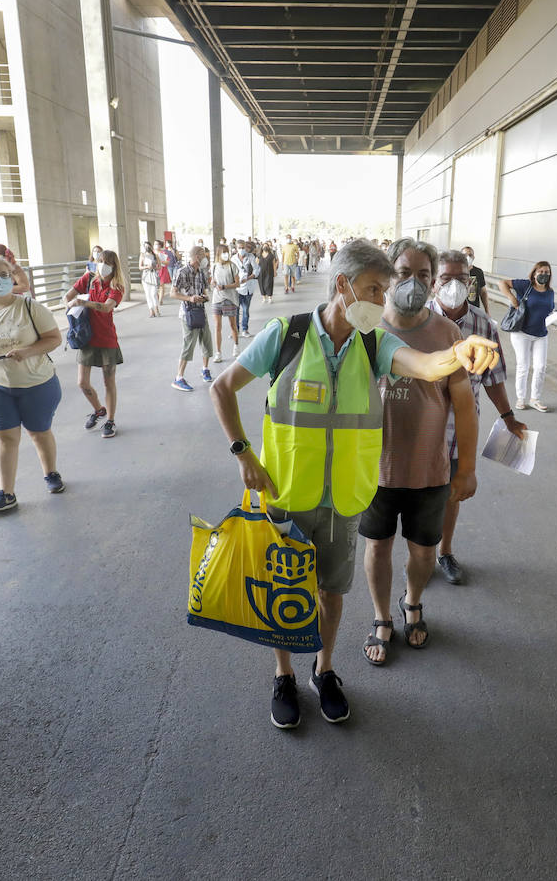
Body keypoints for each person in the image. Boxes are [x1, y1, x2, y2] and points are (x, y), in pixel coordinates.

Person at [208, 238, 500, 728]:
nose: (383, 298)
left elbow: (426, 366)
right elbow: (222, 387)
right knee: (283, 587)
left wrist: (460, 352)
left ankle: (324, 670)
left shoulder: (374, 343)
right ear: (342, 285)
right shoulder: (287, 336)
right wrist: (243, 453)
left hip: (345, 497)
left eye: (383, 288)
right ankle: (283, 676)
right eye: (374, 288)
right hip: (286, 493)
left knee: (330, 592)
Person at [360, 238, 480, 665]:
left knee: (424, 551)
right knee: (377, 547)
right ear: (389, 276)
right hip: (374, 471)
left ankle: (411, 603)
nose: (414, 282)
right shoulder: (366, 329)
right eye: (405, 273)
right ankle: (380, 615)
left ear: (434, 282)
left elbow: (464, 407)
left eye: (424, 275)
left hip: (429, 471)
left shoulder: (448, 333)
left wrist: (465, 469)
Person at [429, 250, 524, 586]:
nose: (453, 284)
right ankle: (421, 556)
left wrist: (509, 417)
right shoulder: (418, 319)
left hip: (459, 431)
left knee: (453, 493)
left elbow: (494, 378)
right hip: (419, 431)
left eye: (460, 278)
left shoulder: (483, 324)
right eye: (445, 278)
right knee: (421, 497)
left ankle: (445, 551)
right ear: (433, 282)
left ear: (470, 281)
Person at [0, 256, 64, 512]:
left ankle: (50, 473)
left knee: (38, 433)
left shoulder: (30, 308)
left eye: (5, 275)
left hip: (36, 382)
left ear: (13, 277)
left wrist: (27, 351)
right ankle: (6, 493)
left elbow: (54, 339)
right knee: (5, 437)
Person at [64, 249, 124, 438]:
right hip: (86, 337)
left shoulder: (117, 287)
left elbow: (106, 307)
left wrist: (83, 303)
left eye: (107, 263)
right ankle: (99, 410)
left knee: (109, 382)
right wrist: (72, 310)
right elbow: (68, 296)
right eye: (100, 261)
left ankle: (111, 420)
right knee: (82, 382)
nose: (103, 265)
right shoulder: (89, 279)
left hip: (106, 339)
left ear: (114, 267)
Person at [499, 261, 557, 412]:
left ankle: (535, 399)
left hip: (541, 334)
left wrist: (554, 315)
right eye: (541, 271)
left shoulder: (550, 292)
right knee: (523, 366)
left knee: (540, 367)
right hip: (522, 333)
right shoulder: (525, 286)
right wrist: (512, 299)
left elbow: (548, 310)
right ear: (534, 273)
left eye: (547, 272)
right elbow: (502, 283)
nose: (544, 274)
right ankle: (520, 398)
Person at [172, 245, 214, 392]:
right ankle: (178, 378)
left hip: (201, 311)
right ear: (197, 256)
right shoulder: (182, 272)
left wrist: (204, 297)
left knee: (207, 342)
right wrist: (190, 298)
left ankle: (205, 369)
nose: (206, 258)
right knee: (189, 344)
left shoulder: (201, 273)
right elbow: (173, 293)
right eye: (203, 255)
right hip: (188, 313)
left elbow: (205, 291)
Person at [211, 244, 239, 362]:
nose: (225, 254)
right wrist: (213, 283)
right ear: (218, 254)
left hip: (230, 299)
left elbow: (237, 284)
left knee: (233, 325)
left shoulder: (232, 266)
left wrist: (224, 286)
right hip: (217, 299)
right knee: (217, 326)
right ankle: (218, 353)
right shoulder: (214, 266)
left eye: (226, 252)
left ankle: (236, 346)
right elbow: (212, 280)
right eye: (223, 252)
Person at [235, 243, 257, 335]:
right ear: (236, 248)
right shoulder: (233, 259)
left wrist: (249, 277)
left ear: (246, 248)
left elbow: (257, 269)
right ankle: (235, 330)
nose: (241, 249)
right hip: (236, 288)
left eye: (243, 247)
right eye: (239, 248)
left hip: (248, 287)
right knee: (235, 310)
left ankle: (245, 329)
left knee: (245, 310)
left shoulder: (250, 256)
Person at [459, 246, 490, 314]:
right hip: (458, 310)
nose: (468, 257)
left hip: (474, 310)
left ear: (473, 257)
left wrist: (487, 311)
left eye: (470, 255)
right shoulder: (456, 271)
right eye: (465, 255)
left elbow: (483, 292)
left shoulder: (478, 272)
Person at [139, 242, 161, 317]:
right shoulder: (142, 255)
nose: (147, 247)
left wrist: (154, 267)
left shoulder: (156, 255)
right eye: (145, 246)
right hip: (145, 276)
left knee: (153, 294)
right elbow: (140, 267)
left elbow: (159, 267)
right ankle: (151, 311)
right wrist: (147, 267)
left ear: (151, 246)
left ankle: (157, 309)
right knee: (148, 294)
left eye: (148, 246)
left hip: (154, 276)